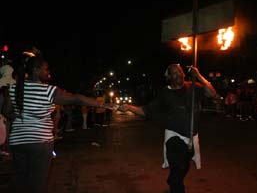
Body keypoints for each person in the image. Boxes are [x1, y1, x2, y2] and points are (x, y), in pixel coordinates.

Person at [3, 49, 112, 193]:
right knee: (37, 184)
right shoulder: (48, 91)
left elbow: (6, 111)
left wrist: (23, 118)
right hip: (40, 143)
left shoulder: (13, 88)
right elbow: (77, 98)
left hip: (18, 142)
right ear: (36, 70)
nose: (47, 72)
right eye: (45, 69)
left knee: (21, 181)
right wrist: (103, 105)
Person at [118, 64, 216, 193]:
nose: (178, 75)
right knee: (178, 168)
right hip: (174, 136)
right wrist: (130, 107)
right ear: (168, 77)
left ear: (184, 74)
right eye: (174, 73)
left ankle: (172, 181)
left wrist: (198, 75)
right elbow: (147, 111)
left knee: (184, 166)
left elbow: (211, 93)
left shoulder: (193, 87)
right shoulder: (165, 93)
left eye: (180, 72)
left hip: (191, 136)